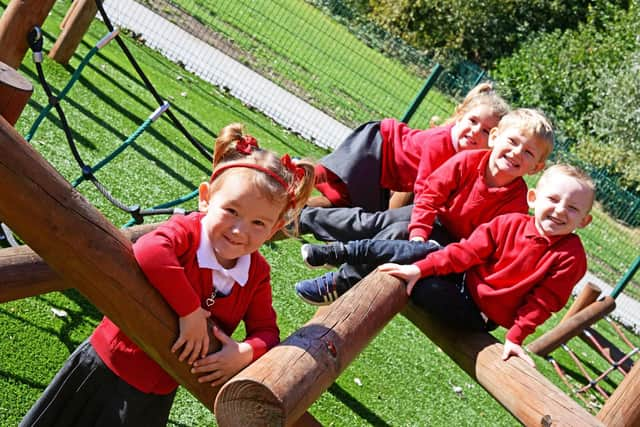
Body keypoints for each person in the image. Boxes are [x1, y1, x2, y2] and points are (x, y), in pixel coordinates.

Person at [20, 123, 315, 427]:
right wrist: (190, 312)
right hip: (107, 365)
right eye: (231, 211)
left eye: (258, 223)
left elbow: (267, 332)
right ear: (206, 198)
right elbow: (150, 249)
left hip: (159, 390)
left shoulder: (256, 274)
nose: (240, 230)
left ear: (276, 228)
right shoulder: (188, 232)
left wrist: (243, 352)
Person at [295, 108, 554, 305]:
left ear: (536, 168)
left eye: (529, 153)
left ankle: (340, 281)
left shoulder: (515, 203)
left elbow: (486, 245)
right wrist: (419, 232)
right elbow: (431, 194)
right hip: (431, 220)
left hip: (453, 245)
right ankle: (301, 218)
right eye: (512, 142)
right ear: (495, 138)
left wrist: (422, 243)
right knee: (376, 223)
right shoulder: (467, 162)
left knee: (395, 235)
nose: (517, 153)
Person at [309, 82, 510, 213]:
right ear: (460, 117)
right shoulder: (441, 143)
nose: (475, 131)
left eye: (485, 131)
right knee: (349, 204)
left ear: (494, 137)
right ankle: (295, 179)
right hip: (377, 147)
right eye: (473, 121)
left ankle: (295, 197)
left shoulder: (465, 153)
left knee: (346, 204)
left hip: (385, 163)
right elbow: (425, 185)